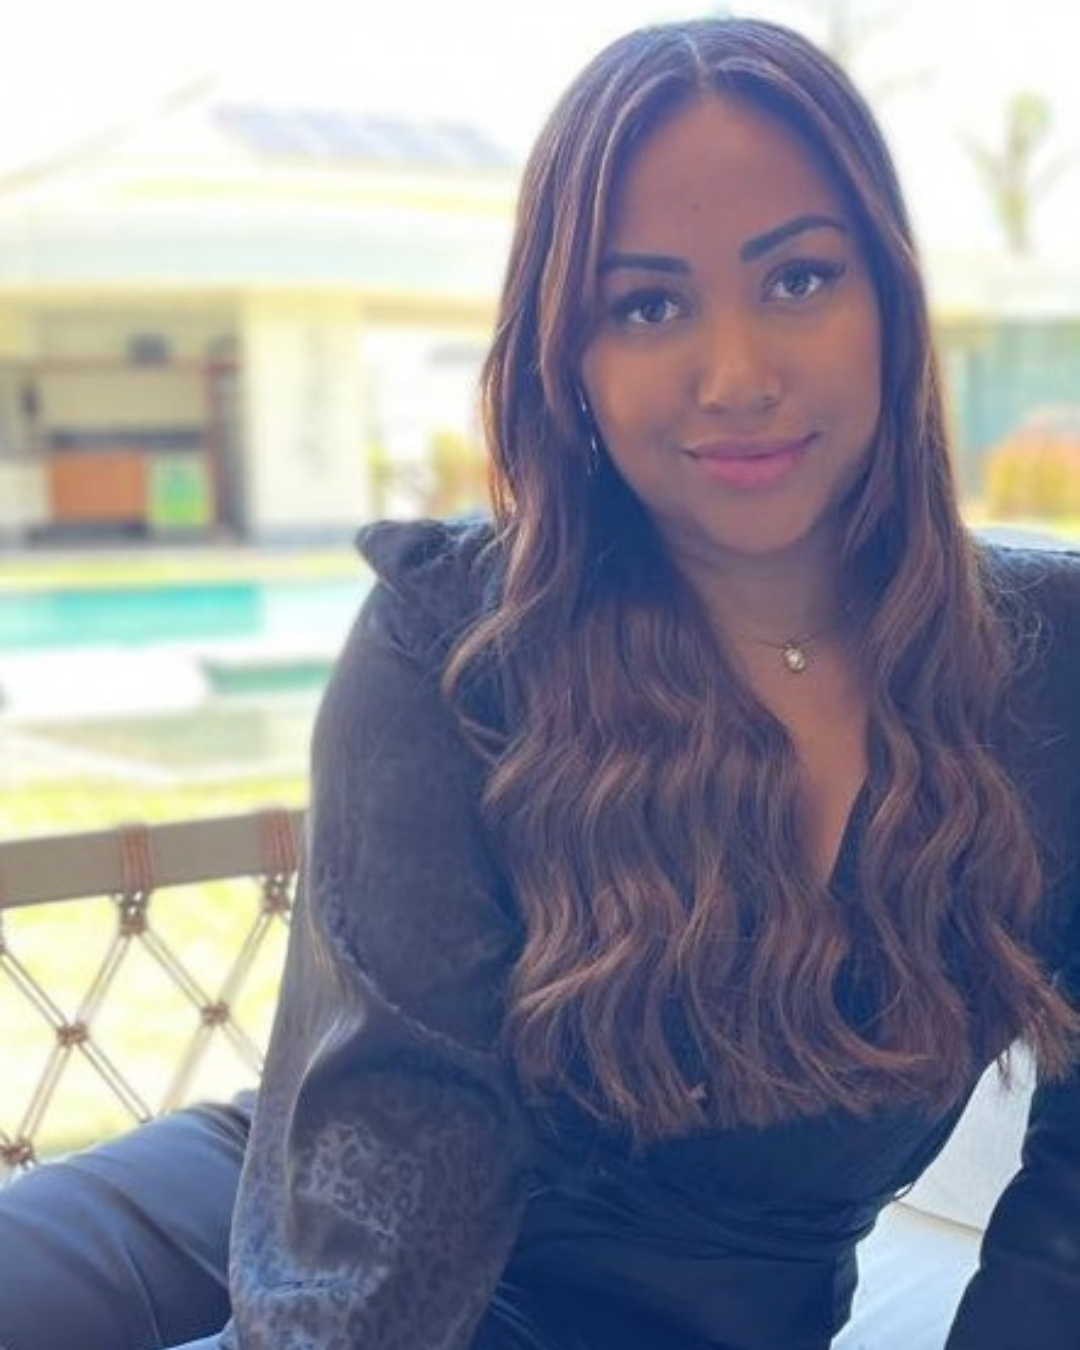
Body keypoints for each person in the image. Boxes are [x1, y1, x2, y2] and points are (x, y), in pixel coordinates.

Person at [2, 14, 1080, 1350]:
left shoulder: (1046, 665)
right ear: (568, 358)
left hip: (643, 1311)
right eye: (648, 305)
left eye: (799, 279)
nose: (737, 375)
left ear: (891, 303)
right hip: (328, 1182)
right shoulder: (451, 638)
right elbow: (380, 1200)